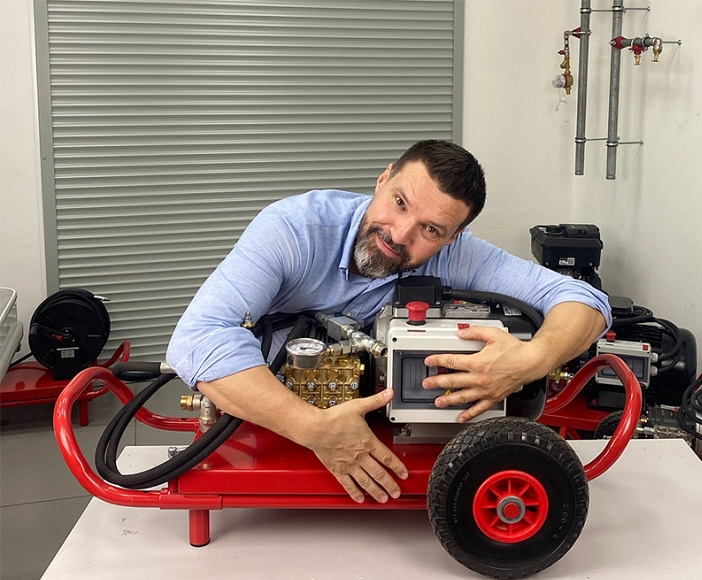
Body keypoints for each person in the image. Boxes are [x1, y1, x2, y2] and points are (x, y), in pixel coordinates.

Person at [167, 140, 611, 505]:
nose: (399, 234)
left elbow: (587, 302)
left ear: (452, 238)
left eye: (430, 230)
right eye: (399, 203)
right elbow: (198, 337)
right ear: (383, 179)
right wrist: (313, 428)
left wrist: (532, 360)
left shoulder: (457, 254)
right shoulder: (295, 229)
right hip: (268, 411)